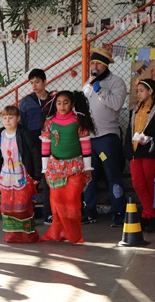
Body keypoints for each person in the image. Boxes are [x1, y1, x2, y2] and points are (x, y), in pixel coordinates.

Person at [40, 91, 94, 244]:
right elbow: (45, 146)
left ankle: (73, 235)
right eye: (59, 103)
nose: (62, 106)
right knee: (56, 202)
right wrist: (44, 168)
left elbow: (86, 145)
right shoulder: (49, 123)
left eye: (66, 102)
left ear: (72, 104)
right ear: (54, 105)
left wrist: (87, 167)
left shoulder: (79, 121)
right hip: (54, 168)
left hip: (75, 167)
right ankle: (58, 233)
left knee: (72, 201)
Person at [82, 48, 128, 227]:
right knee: (89, 177)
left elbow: (116, 104)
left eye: (98, 64)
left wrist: (100, 90)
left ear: (106, 65)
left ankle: (118, 211)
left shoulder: (116, 82)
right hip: (89, 138)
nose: (94, 67)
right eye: (93, 63)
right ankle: (89, 211)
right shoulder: (87, 83)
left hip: (107, 137)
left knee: (112, 175)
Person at [124, 78, 155, 233]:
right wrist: (128, 150)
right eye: (137, 91)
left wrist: (150, 139)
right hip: (135, 152)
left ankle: (145, 216)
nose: (138, 94)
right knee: (138, 184)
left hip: (149, 152)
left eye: (141, 91)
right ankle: (151, 215)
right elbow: (130, 132)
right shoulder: (135, 110)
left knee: (148, 184)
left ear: (150, 91)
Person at [0, 105, 42, 243]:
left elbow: (35, 153)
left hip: (21, 174)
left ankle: (27, 234)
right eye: (5, 118)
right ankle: (12, 235)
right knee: (7, 206)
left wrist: (37, 175)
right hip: (6, 175)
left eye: (11, 117)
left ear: (18, 118)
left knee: (23, 205)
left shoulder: (24, 134)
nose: (7, 121)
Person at [18, 68, 53, 225]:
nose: (34, 86)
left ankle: (48, 214)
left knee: (49, 180)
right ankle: (27, 214)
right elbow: (21, 127)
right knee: (32, 180)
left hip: (51, 145)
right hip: (32, 147)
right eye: (31, 83)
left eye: (37, 82)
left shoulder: (54, 100)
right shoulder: (25, 102)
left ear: (45, 82)